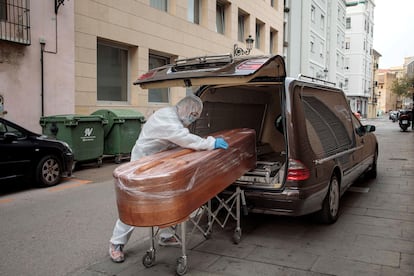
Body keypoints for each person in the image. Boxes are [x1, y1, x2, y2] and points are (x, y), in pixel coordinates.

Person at [109, 95, 229, 263]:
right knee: (134, 206)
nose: (193, 119)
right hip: (143, 165)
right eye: (193, 115)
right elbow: (184, 138)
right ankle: (116, 244)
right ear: (186, 109)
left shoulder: (175, 119)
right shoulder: (167, 118)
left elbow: (180, 141)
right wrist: (210, 143)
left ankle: (165, 236)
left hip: (159, 163)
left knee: (164, 200)